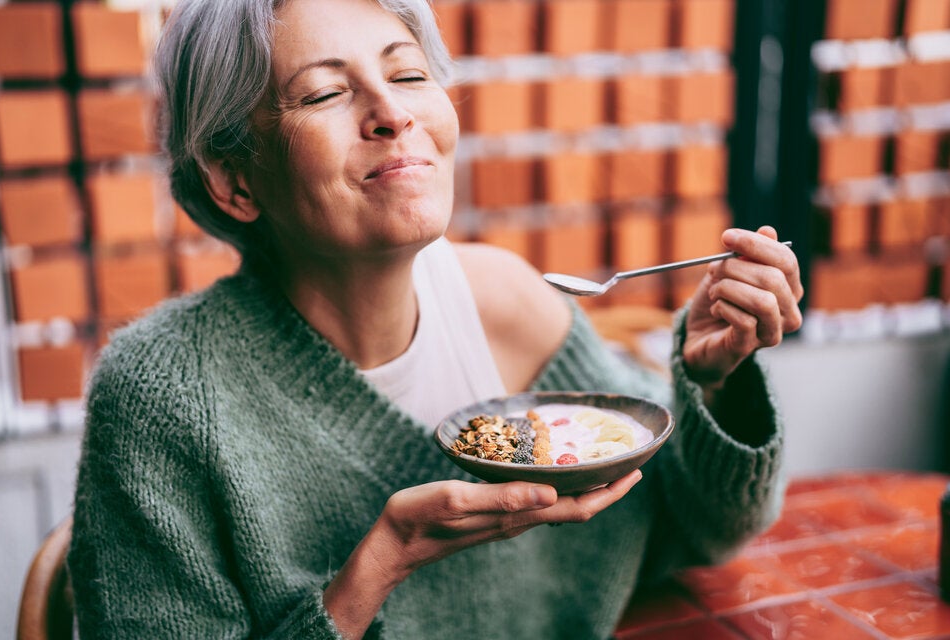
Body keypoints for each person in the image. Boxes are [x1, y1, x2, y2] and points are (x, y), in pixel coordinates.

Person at [66, 0, 804, 638]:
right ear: (234, 180)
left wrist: (712, 382)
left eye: (410, 74)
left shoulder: (507, 301)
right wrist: (380, 564)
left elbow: (693, 527)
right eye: (324, 93)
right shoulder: (164, 395)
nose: (394, 114)